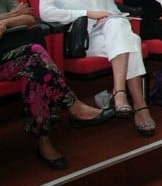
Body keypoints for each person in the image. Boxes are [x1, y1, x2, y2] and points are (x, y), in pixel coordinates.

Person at [39, 0, 155, 137]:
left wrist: (118, 17)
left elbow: (111, 7)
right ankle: (139, 105)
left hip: (110, 30)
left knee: (120, 27)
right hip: (83, 39)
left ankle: (120, 94)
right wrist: (87, 13)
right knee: (130, 39)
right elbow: (46, 12)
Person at [0, 27, 112, 170]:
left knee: (34, 73)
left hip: (10, 54)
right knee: (35, 54)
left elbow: (28, 18)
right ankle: (73, 107)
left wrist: (6, 21)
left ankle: (42, 136)